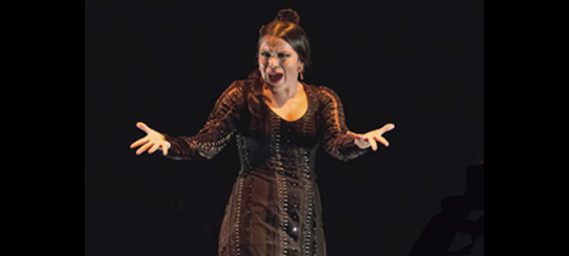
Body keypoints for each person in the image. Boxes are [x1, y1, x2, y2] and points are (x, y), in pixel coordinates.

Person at [130, 8, 395, 256]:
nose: (272, 64)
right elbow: (207, 143)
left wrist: (358, 142)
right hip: (253, 215)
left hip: (304, 216)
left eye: (282, 56)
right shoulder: (241, 95)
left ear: (301, 61)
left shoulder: (323, 99)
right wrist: (169, 143)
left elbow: (337, 143)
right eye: (265, 55)